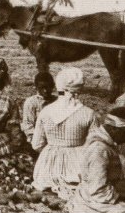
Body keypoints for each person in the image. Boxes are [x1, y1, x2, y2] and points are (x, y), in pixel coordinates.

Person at [32, 67, 100, 200]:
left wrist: (54, 150)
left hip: (47, 169)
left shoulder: (46, 112)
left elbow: (36, 144)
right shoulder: (88, 113)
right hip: (77, 168)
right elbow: (95, 146)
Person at [21, 72, 56, 141]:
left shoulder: (57, 101)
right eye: (41, 88)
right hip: (37, 138)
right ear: (36, 87)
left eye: (48, 87)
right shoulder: (31, 102)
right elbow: (28, 125)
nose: (45, 91)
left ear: (52, 86)